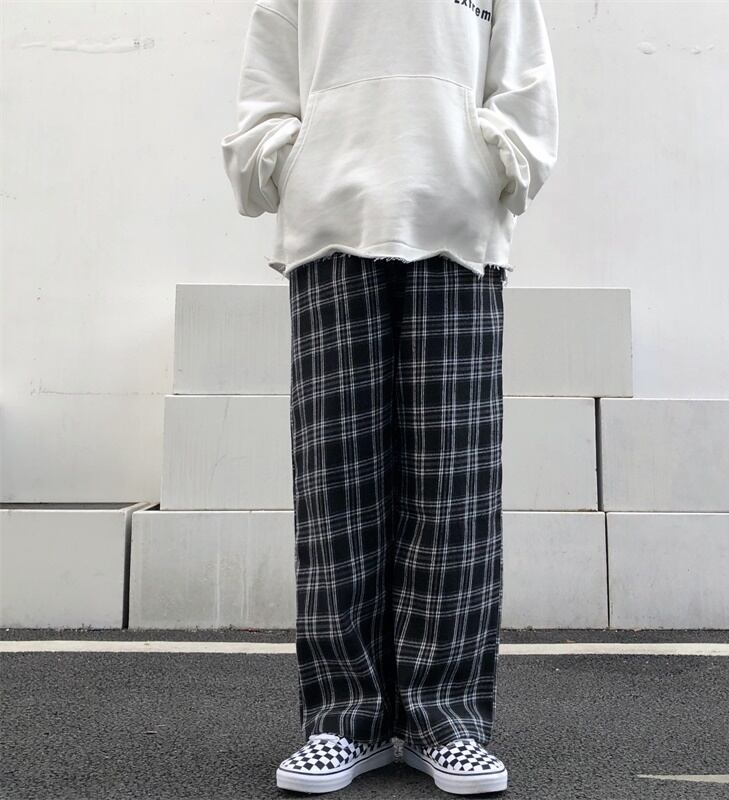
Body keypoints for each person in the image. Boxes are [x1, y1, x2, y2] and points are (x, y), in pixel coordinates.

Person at [221, 0, 558, 794]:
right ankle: (344, 720)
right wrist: (294, 161)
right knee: (336, 485)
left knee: (455, 486)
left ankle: (448, 719)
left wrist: (488, 162)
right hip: (331, 220)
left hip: (458, 225)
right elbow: (268, 81)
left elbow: (526, 79)